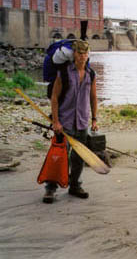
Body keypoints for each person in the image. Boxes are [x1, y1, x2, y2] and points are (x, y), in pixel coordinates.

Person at [43, 40, 98, 204]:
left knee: (78, 158)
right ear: (74, 54)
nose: (82, 57)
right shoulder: (64, 72)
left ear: (88, 55)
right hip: (64, 123)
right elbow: (54, 98)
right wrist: (56, 121)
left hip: (82, 122)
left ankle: (75, 186)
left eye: (85, 54)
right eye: (79, 53)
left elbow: (93, 98)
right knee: (58, 157)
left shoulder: (91, 74)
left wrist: (94, 119)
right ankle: (50, 189)